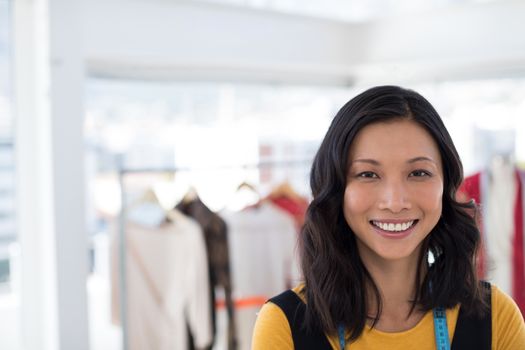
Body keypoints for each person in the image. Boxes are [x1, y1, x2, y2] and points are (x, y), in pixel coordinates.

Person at [251, 85, 525, 349]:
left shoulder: (495, 318)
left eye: (418, 173)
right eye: (368, 174)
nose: (395, 202)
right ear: (337, 188)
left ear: (446, 187)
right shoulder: (285, 324)